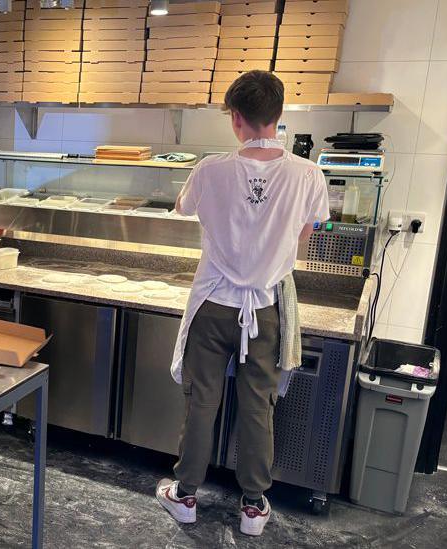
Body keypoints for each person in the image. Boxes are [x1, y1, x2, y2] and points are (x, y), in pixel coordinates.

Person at [155, 71, 329, 537]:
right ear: (278, 116)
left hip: (213, 303)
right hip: (267, 308)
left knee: (201, 403)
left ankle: (185, 495)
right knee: (258, 407)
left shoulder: (210, 169)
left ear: (236, 118)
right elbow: (303, 242)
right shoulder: (309, 174)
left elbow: (182, 208)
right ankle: (253, 507)